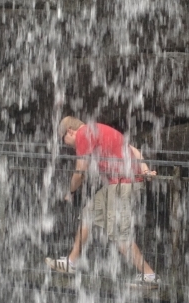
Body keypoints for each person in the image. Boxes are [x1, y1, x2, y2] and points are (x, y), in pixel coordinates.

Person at [46, 116, 160, 286]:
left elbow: (80, 172)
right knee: (88, 215)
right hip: (122, 183)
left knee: (119, 235)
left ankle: (149, 277)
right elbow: (132, 149)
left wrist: (70, 191)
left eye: (64, 140)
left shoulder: (83, 134)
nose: (67, 144)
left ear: (70, 131)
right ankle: (71, 263)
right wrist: (145, 168)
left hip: (122, 184)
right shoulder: (98, 129)